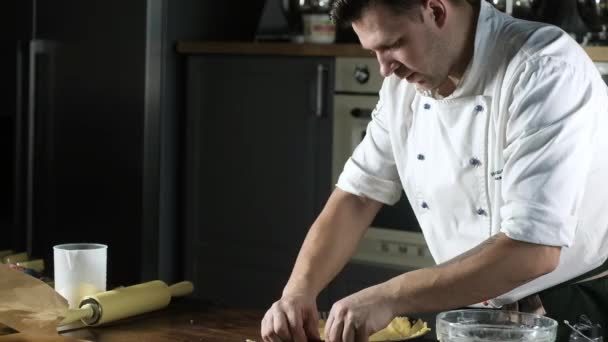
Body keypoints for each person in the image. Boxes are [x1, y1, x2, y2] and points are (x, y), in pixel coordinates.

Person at [261, 0, 608, 341]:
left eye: (394, 44)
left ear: (436, 10)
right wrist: (298, 292)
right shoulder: (404, 87)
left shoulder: (542, 68)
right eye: (374, 51)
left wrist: (390, 295)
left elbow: (534, 250)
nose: (385, 68)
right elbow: (357, 195)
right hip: (471, 316)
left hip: (572, 313)